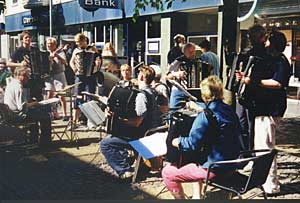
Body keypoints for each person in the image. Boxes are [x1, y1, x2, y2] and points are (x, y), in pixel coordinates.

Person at [161, 76, 242, 199]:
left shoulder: (205, 116)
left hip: (214, 169)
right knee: (197, 157)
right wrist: (201, 107)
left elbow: (191, 144)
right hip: (232, 164)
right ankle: (197, 196)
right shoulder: (230, 111)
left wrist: (176, 141)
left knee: (167, 173)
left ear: (204, 95)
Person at [237, 30, 291, 195]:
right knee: (261, 145)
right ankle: (264, 180)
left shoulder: (281, 61)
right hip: (264, 108)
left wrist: (253, 81)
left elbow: (278, 83)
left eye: (267, 41)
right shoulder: (273, 59)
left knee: (266, 147)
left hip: (270, 109)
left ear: (273, 44)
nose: (264, 43)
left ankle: (271, 185)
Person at [100, 65, 160, 180]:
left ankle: (125, 170)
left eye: (138, 75)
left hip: (142, 137)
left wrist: (117, 119)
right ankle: (130, 162)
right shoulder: (153, 91)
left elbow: (137, 122)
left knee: (106, 144)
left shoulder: (141, 95)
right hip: (150, 132)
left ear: (141, 77)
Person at [234, 24, 269, 150]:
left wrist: (251, 80)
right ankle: (243, 151)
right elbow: (238, 70)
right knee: (241, 123)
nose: (253, 39)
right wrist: (237, 76)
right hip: (242, 93)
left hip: (255, 95)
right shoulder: (245, 53)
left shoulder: (266, 54)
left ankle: (251, 151)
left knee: (251, 125)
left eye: (256, 37)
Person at [4, 67, 52, 146]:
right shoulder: (19, 87)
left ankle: (34, 139)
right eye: (27, 76)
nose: (28, 78)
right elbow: (22, 107)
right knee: (45, 116)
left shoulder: (11, 84)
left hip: (11, 113)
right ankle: (45, 143)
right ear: (21, 76)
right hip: (18, 115)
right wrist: (34, 103)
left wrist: (29, 101)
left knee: (37, 114)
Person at [69, 33, 102, 127]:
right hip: (79, 76)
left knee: (90, 97)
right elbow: (71, 61)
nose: (77, 44)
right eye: (76, 42)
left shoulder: (92, 49)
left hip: (90, 76)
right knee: (77, 97)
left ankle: (91, 121)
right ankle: (75, 121)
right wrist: (74, 68)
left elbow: (99, 60)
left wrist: (97, 63)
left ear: (84, 41)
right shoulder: (76, 50)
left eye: (78, 42)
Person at [9, 31, 45, 101]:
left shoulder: (35, 49)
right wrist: (20, 64)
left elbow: (41, 62)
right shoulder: (19, 51)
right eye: (26, 38)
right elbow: (8, 63)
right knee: (28, 99)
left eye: (29, 37)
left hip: (37, 79)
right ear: (22, 40)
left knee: (40, 99)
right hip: (26, 80)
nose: (28, 39)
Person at [166, 42, 197, 109]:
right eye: (191, 52)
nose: (193, 54)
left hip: (192, 91)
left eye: (194, 52)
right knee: (174, 111)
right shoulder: (178, 61)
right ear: (185, 52)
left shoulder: (196, 62)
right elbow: (167, 76)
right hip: (178, 90)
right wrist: (176, 74)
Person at [45, 37, 68, 121]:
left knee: (62, 95)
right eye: (47, 45)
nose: (49, 46)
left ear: (55, 45)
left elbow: (65, 62)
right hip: (49, 75)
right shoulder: (46, 53)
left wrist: (57, 56)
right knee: (49, 95)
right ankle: (51, 113)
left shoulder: (60, 52)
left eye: (50, 45)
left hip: (59, 74)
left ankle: (65, 114)